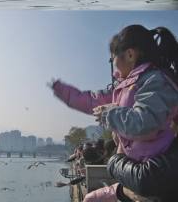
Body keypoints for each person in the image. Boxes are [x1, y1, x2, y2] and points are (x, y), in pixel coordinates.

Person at [49, 25, 178, 202]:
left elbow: (145, 124)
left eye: (113, 59)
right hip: (132, 170)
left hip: (153, 173)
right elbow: (93, 101)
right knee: (90, 199)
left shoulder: (155, 81)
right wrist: (66, 93)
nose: (113, 66)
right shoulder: (123, 87)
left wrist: (110, 115)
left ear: (130, 54)